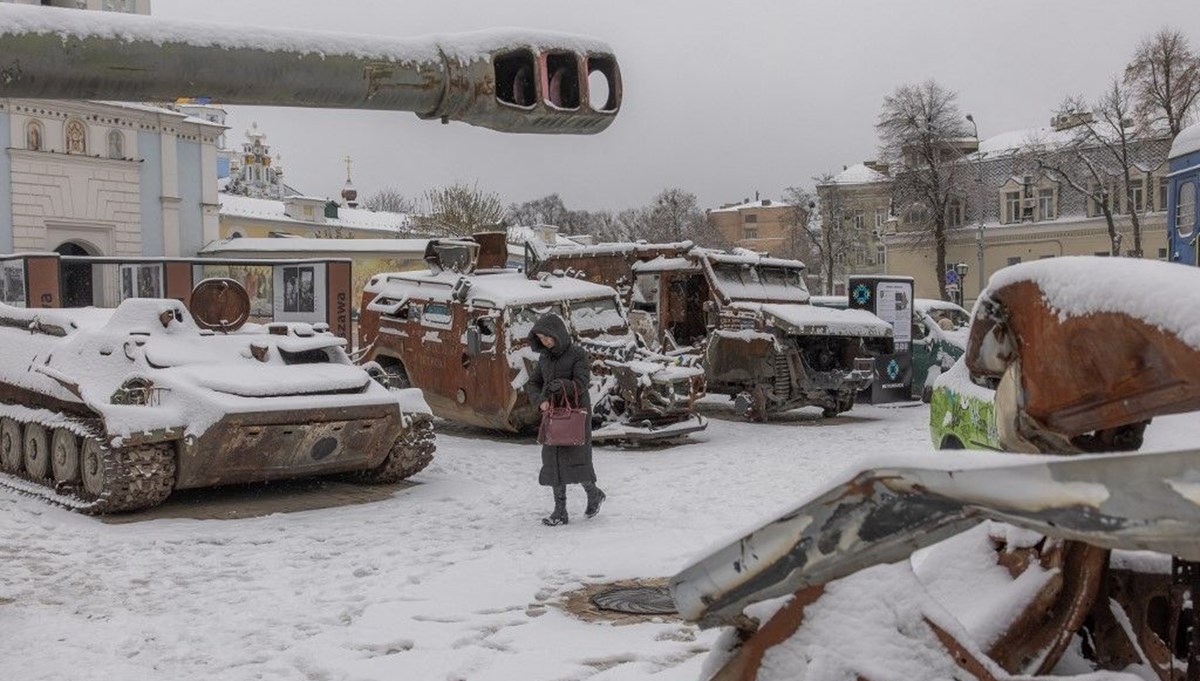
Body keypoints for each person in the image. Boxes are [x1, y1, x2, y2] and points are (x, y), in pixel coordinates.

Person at [525, 313, 605, 526]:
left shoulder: (577, 354)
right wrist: (540, 399)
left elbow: (581, 382)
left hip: (575, 415)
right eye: (541, 338)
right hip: (552, 415)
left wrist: (561, 386)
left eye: (547, 337)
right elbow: (532, 384)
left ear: (558, 334)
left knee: (577, 460)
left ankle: (594, 493)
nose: (545, 342)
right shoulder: (544, 357)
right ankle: (560, 512)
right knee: (552, 461)